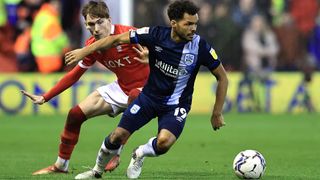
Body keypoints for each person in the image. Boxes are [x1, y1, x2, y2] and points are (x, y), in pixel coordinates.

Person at [66, 0, 229, 179]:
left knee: (164, 143)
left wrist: (217, 113)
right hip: (149, 98)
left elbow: (222, 77)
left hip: (176, 104)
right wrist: (84, 51)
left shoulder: (200, 47)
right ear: (174, 24)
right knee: (117, 136)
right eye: (188, 24)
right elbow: (114, 39)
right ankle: (96, 171)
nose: (193, 28)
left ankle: (140, 153)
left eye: (195, 23)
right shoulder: (155, 34)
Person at [21, 0, 149, 175]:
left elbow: (162, 47)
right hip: (121, 87)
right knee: (75, 114)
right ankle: (61, 165)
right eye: (90, 24)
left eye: (99, 22)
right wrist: (45, 97)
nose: (95, 29)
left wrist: (152, 55)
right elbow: (74, 74)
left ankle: (116, 152)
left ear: (109, 20)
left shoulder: (129, 34)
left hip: (149, 88)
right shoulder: (92, 46)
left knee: (135, 96)